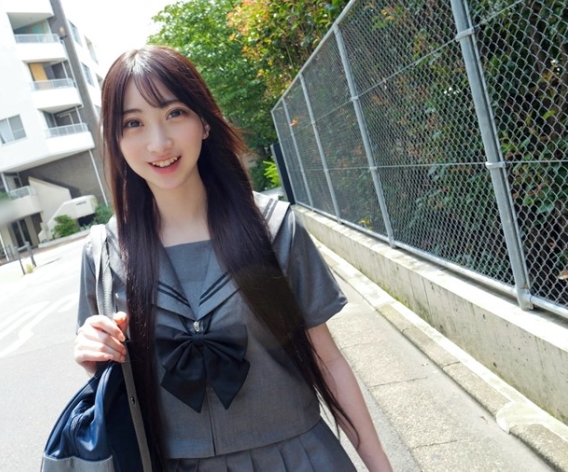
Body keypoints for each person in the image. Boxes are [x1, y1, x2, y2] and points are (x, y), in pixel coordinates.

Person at [74, 46, 391, 471]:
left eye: (174, 113)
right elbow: (117, 392)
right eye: (133, 123)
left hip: (298, 459)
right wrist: (95, 357)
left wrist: (379, 465)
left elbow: (327, 358)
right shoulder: (104, 254)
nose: (159, 142)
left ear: (204, 122)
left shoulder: (272, 227)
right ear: (115, 139)